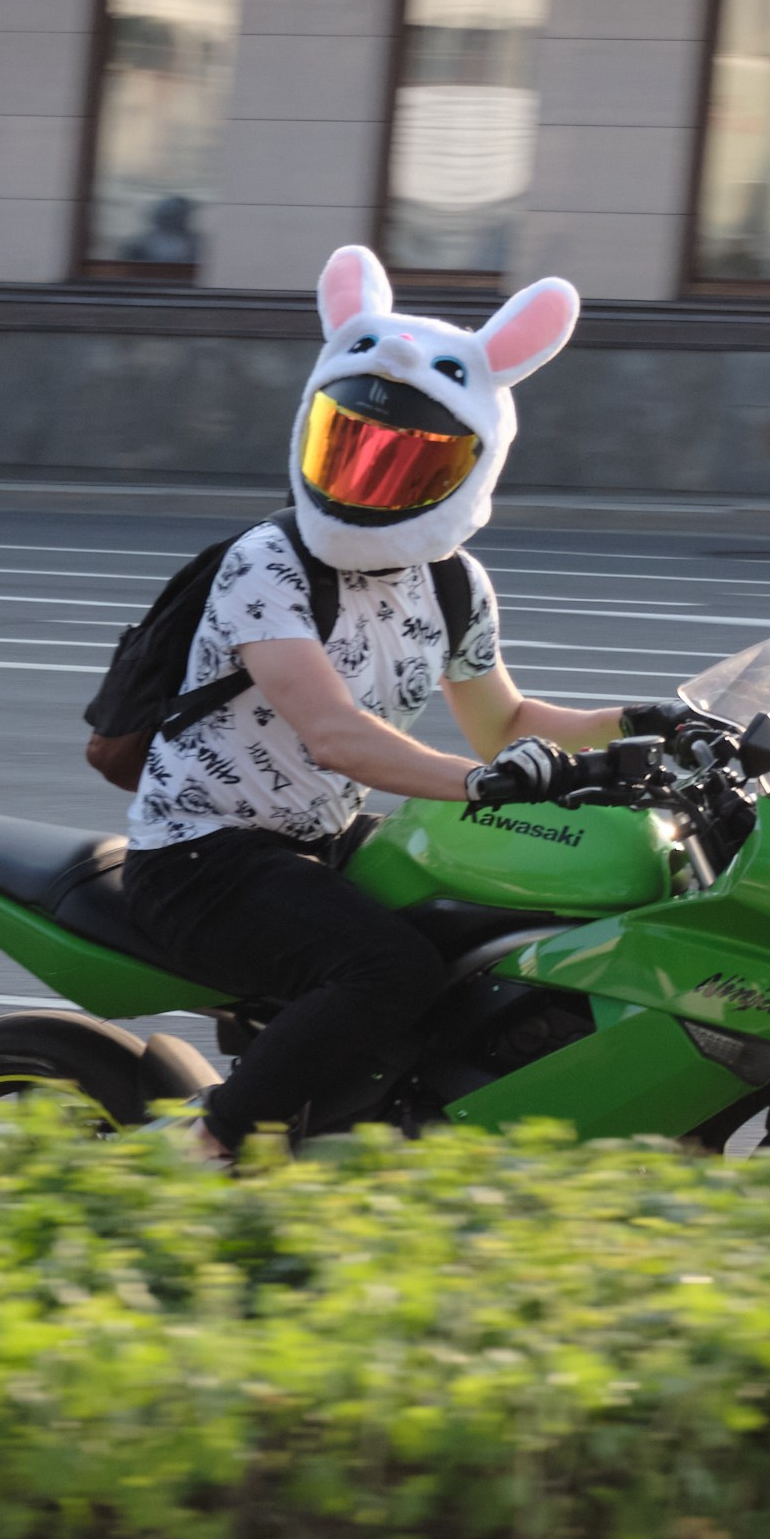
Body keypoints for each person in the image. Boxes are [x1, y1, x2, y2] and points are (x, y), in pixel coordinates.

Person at [120, 244, 655, 1167]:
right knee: (388, 969)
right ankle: (211, 1142)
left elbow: (503, 723)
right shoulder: (267, 562)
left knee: (492, 932)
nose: (368, 480)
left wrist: (647, 722)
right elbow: (336, 736)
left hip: (316, 842)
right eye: (349, 445)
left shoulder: (452, 584)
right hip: (202, 855)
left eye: (409, 465)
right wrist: (484, 783)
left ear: (473, 468)